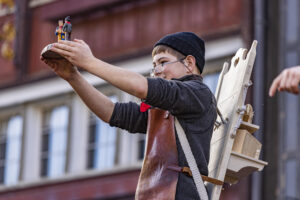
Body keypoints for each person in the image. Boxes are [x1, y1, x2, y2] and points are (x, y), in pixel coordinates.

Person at [41, 32, 217, 200]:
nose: (156, 71)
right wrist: (73, 77)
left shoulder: (198, 93)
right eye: (154, 65)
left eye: (163, 62)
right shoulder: (165, 107)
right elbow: (113, 112)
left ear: (189, 62)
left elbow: (141, 87)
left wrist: (89, 62)